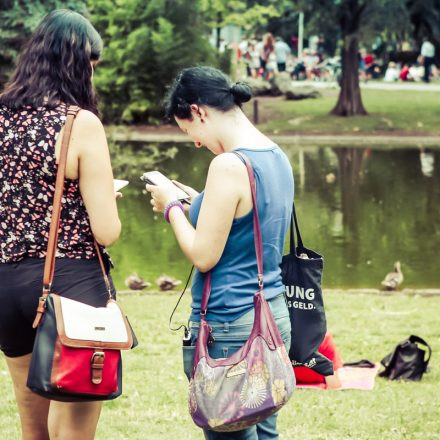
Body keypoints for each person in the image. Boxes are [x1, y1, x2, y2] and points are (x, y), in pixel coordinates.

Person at [145, 66, 294, 439]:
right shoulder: (275, 155)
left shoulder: (228, 164)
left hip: (232, 326)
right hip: (272, 317)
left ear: (199, 112)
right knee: (265, 434)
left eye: (189, 131)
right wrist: (197, 203)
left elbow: (203, 255)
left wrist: (171, 208)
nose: (195, 142)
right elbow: (249, 223)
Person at [0, 10, 121, 440]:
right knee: (71, 429)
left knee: (32, 427)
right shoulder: (79, 123)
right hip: (68, 283)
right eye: (92, 64)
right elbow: (106, 230)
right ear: (76, 62)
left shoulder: (3, 117)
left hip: (9, 285)